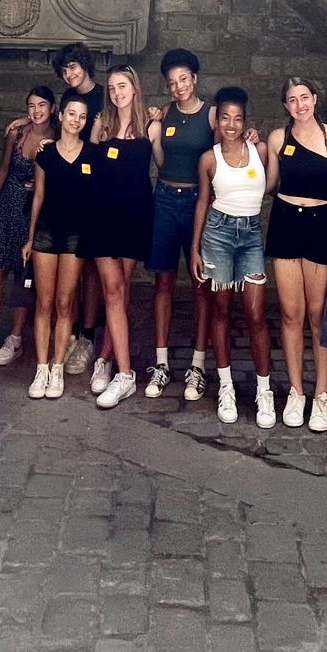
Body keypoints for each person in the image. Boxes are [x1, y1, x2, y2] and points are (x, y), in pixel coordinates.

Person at [264, 75, 327, 432]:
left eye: (304, 97)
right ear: (285, 105)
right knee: (290, 314)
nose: (299, 105)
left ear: (315, 99)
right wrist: (252, 155)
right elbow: (270, 185)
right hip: (285, 221)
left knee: (318, 314)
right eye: (292, 99)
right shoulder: (278, 138)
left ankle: (321, 395)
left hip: (320, 224)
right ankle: (296, 392)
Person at [191, 86, 276, 427]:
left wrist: (258, 140)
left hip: (251, 235)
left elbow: (272, 185)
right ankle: (226, 386)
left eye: (237, 118)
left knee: (256, 314)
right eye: (225, 117)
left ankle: (264, 390)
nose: (231, 124)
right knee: (222, 310)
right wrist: (195, 248)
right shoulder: (208, 159)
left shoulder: (260, 149)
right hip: (218, 235)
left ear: (245, 121)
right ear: (217, 121)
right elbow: (202, 202)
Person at [144, 49, 215, 402]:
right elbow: (161, 161)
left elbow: (224, 157)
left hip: (198, 202)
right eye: (172, 82)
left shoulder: (212, 114)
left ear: (195, 79)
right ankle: (161, 363)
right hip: (165, 199)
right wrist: (155, 136)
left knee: (201, 284)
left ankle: (197, 365)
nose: (178, 87)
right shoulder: (166, 112)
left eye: (183, 79)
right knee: (163, 282)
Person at [84, 65, 155, 409]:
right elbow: (87, 165)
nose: (117, 93)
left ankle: (107, 357)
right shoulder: (102, 124)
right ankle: (124, 373)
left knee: (120, 291)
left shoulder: (151, 126)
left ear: (134, 88)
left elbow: (168, 165)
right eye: (112, 88)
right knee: (112, 289)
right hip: (102, 215)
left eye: (122, 86)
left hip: (134, 216)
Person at [0, 85, 54, 369]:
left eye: (42, 105)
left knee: (25, 276)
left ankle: (15, 337)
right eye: (31, 105)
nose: (37, 111)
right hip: (9, 204)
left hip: (35, 211)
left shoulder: (57, 137)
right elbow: (4, 168)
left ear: (52, 108)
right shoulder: (16, 133)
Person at [23, 93, 94, 400]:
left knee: (65, 304)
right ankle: (41, 367)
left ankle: (58, 366)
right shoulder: (46, 154)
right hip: (46, 234)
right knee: (44, 303)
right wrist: (30, 237)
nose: (76, 120)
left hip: (75, 236)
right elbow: (38, 196)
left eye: (82, 116)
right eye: (72, 114)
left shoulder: (92, 153)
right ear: (61, 115)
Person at [51, 42, 105, 373]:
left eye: (73, 67)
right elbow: (56, 129)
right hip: (70, 188)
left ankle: (87, 336)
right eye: (64, 70)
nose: (69, 74)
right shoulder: (66, 98)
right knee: (67, 268)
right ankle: (68, 333)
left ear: (85, 66)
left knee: (91, 269)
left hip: (97, 185)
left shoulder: (104, 96)